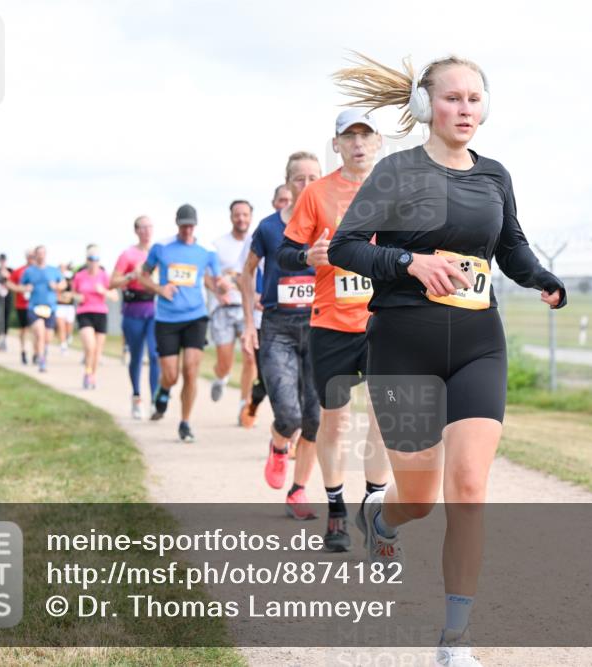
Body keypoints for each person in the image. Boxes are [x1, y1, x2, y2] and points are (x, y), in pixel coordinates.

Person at [328, 54, 566, 664]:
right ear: (425, 106)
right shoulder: (396, 172)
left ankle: (455, 638)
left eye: (474, 99)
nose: (465, 109)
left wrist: (541, 277)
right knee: (421, 498)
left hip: (479, 344)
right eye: (452, 98)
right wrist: (410, 263)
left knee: (467, 487)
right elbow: (346, 247)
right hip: (403, 345)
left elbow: (510, 243)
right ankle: (382, 517)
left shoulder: (495, 176)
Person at [277, 110, 392, 548]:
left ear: (378, 142)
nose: (358, 143)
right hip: (331, 323)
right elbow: (286, 254)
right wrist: (309, 257)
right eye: (350, 136)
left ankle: (376, 511)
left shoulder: (395, 192)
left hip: (383, 322)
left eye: (365, 135)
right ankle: (337, 510)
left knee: (383, 423)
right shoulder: (317, 194)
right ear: (337, 144)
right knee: (337, 424)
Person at [241, 155, 323, 521]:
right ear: (287, 183)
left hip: (321, 327)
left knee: (314, 419)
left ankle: (299, 490)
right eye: (299, 178)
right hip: (277, 327)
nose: (306, 185)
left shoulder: (331, 224)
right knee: (288, 414)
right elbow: (247, 273)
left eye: (313, 178)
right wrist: (247, 323)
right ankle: (278, 444)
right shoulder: (269, 228)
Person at [138, 204, 228, 442]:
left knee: (191, 369)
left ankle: (185, 422)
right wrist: (159, 288)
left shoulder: (206, 250)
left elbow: (214, 278)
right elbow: (142, 275)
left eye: (191, 225)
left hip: (195, 317)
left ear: (195, 225)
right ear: (177, 224)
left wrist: (222, 288)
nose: (187, 230)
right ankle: (164, 390)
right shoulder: (161, 247)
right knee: (171, 375)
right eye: (183, 225)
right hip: (167, 319)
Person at [239, 184, 292, 429]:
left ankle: (290, 435)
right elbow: (243, 274)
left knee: (297, 381)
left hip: (301, 318)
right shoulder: (266, 232)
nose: (286, 204)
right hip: (266, 320)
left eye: (289, 200)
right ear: (274, 203)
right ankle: (253, 403)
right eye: (281, 200)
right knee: (268, 378)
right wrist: (256, 299)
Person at [209, 200, 258, 425]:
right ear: (231, 217)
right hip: (223, 308)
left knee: (250, 356)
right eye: (237, 215)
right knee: (225, 360)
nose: (241, 219)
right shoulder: (219, 245)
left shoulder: (257, 242)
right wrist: (217, 288)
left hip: (247, 307)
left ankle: (244, 404)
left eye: (245, 215)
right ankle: (220, 376)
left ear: (250, 217)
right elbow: (206, 276)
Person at [112, 215, 159, 420]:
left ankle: (156, 400)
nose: (147, 231)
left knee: (156, 354)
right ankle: (137, 396)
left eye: (149, 227)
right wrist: (131, 276)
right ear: (136, 230)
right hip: (133, 309)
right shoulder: (128, 254)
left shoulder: (159, 252)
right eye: (142, 227)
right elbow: (113, 282)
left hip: (155, 309)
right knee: (137, 356)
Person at [20, 245, 64, 373]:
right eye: (38, 253)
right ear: (35, 255)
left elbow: (63, 283)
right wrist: (26, 288)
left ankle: (41, 353)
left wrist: (56, 286)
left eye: (43, 253)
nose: (41, 255)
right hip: (34, 306)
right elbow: (20, 286)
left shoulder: (53, 270)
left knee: (47, 337)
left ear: (46, 254)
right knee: (39, 333)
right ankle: (42, 361)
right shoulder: (29, 271)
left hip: (50, 307)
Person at [73, 245, 111, 389]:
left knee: (97, 350)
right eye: (90, 258)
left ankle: (92, 376)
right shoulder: (79, 275)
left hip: (101, 312)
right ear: (86, 259)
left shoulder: (104, 275)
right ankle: (87, 372)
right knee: (90, 346)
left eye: (95, 259)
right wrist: (78, 297)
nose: (93, 261)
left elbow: (114, 295)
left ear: (99, 260)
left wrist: (103, 291)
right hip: (84, 312)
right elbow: (73, 293)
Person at [8, 250, 35, 364]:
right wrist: (20, 289)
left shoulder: (40, 271)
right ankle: (23, 351)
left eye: (33, 256)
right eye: (29, 256)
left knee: (36, 329)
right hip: (22, 304)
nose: (31, 258)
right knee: (24, 329)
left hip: (36, 304)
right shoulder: (19, 271)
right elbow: (9, 283)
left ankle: (36, 353)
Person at [55, 263, 77, 353]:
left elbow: (75, 290)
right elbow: (56, 292)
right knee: (61, 326)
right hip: (60, 306)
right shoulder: (57, 279)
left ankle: (68, 337)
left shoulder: (71, 279)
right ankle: (63, 345)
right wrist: (61, 297)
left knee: (69, 327)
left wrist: (70, 295)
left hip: (70, 306)